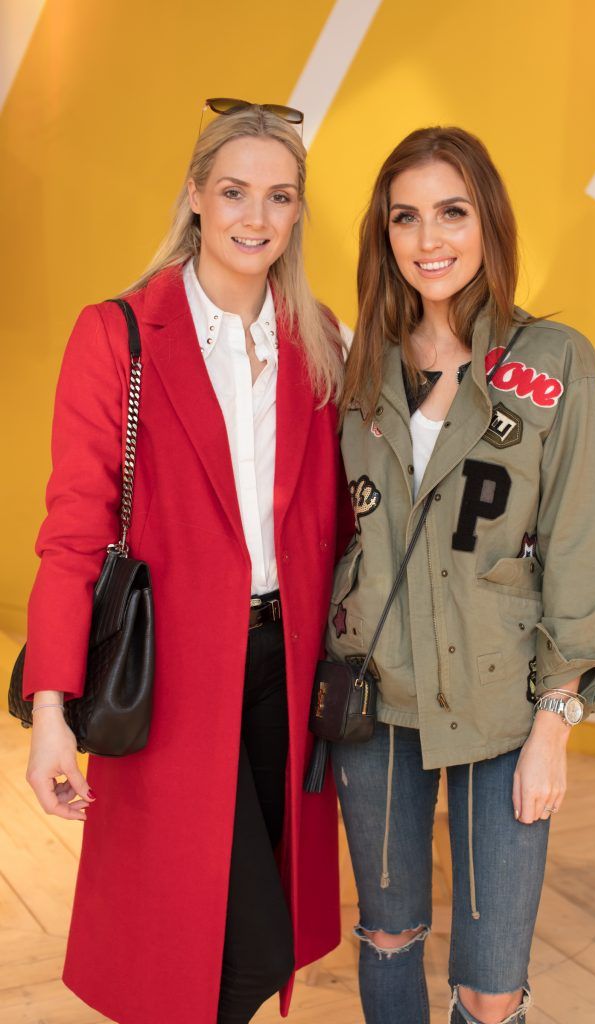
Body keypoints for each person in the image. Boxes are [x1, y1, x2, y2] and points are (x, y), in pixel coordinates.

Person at [22, 101, 353, 1024]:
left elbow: (343, 518)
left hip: (283, 673)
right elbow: (74, 533)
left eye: (279, 197)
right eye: (236, 192)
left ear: (296, 215)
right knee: (221, 944)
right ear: (197, 199)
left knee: (247, 939)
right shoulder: (119, 334)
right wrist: (50, 714)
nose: (256, 217)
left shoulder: (318, 337)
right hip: (165, 678)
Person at [326, 126, 595, 1024]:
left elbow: (581, 541)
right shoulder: (358, 367)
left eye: (451, 212)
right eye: (406, 217)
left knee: (490, 981)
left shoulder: (553, 359)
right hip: (374, 702)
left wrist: (556, 722)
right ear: (382, 235)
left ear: (488, 220)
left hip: (503, 709)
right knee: (385, 937)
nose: (429, 239)